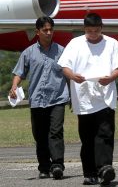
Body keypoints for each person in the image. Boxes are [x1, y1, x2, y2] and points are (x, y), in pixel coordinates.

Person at [58, 13, 118, 186]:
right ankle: (89, 173)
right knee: (87, 138)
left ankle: (105, 169)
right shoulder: (75, 44)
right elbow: (64, 66)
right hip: (83, 98)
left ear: (101, 28)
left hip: (105, 97)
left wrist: (110, 78)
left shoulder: (112, 43)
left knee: (105, 134)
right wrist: (73, 76)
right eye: (89, 31)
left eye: (96, 30)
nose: (93, 34)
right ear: (84, 29)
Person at [9, 16, 69, 180]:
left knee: (56, 132)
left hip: (58, 98)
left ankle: (57, 165)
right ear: (37, 32)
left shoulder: (62, 51)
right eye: (45, 30)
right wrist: (14, 86)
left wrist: (74, 97)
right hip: (37, 100)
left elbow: (68, 74)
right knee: (40, 135)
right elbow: (19, 72)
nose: (49, 33)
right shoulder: (28, 53)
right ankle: (44, 166)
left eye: (51, 29)